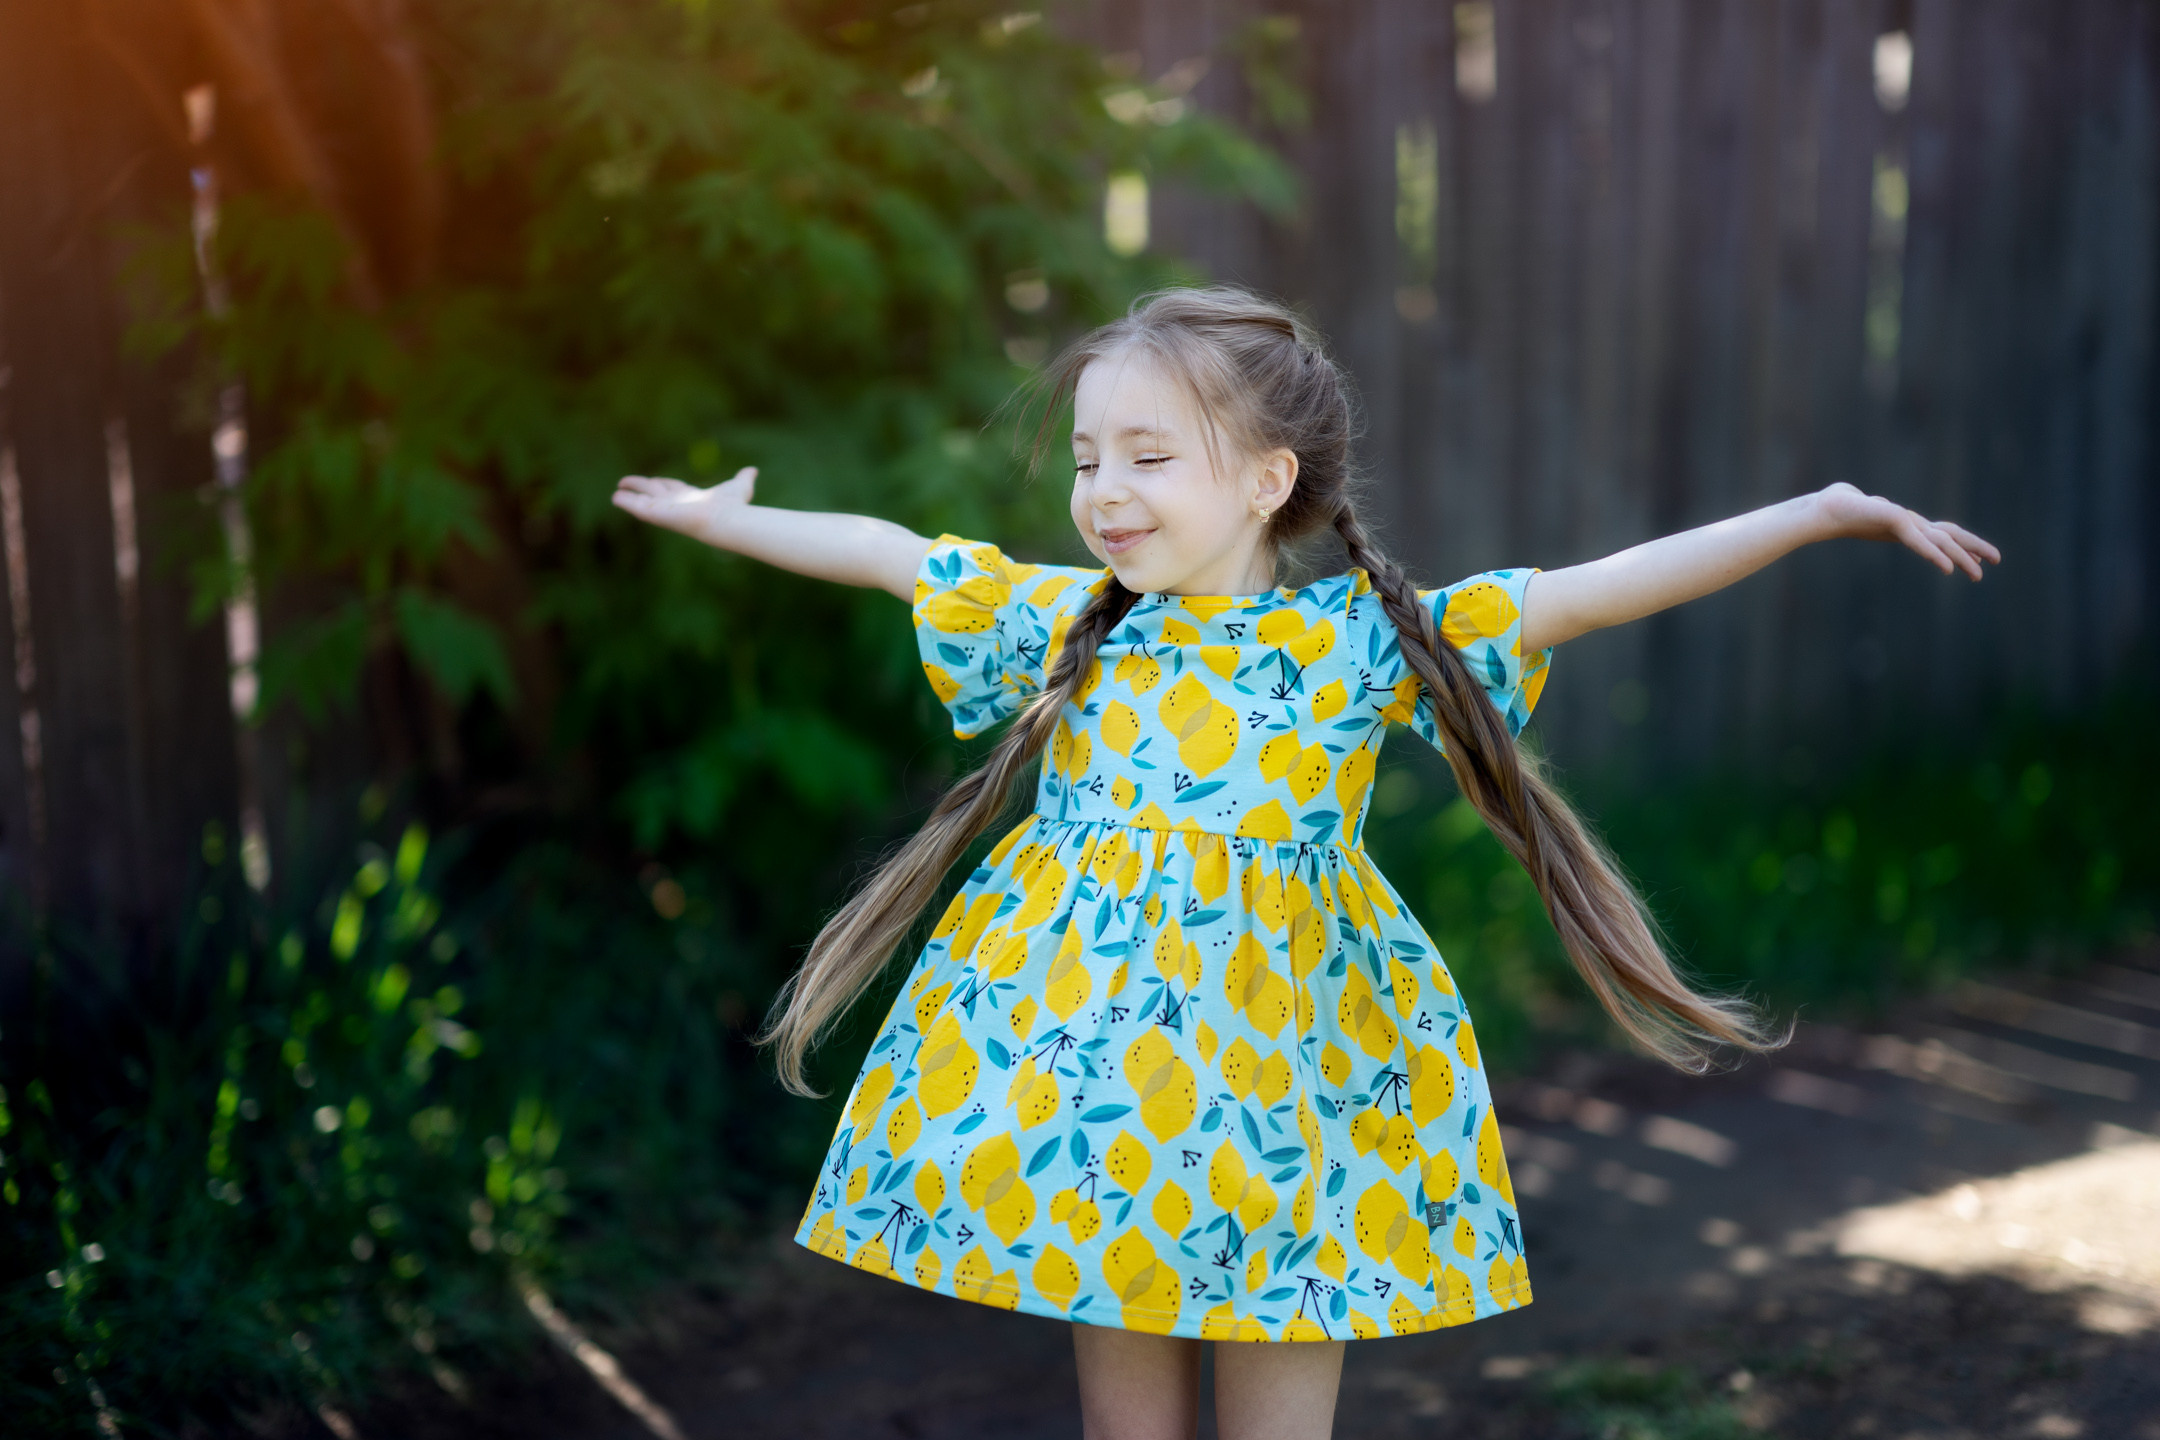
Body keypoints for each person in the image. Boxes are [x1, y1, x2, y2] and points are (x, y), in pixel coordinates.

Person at [612, 286, 1998, 1440]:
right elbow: (894, 556)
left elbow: (1587, 592)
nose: (1104, 492)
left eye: (1149, 457)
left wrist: (1817, 511)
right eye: (1088, 459)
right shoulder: (1073, 628)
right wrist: (723, 519)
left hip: (1292, 1097)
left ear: (1267, 479)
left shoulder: (1353, 646)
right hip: (1106, 1106)